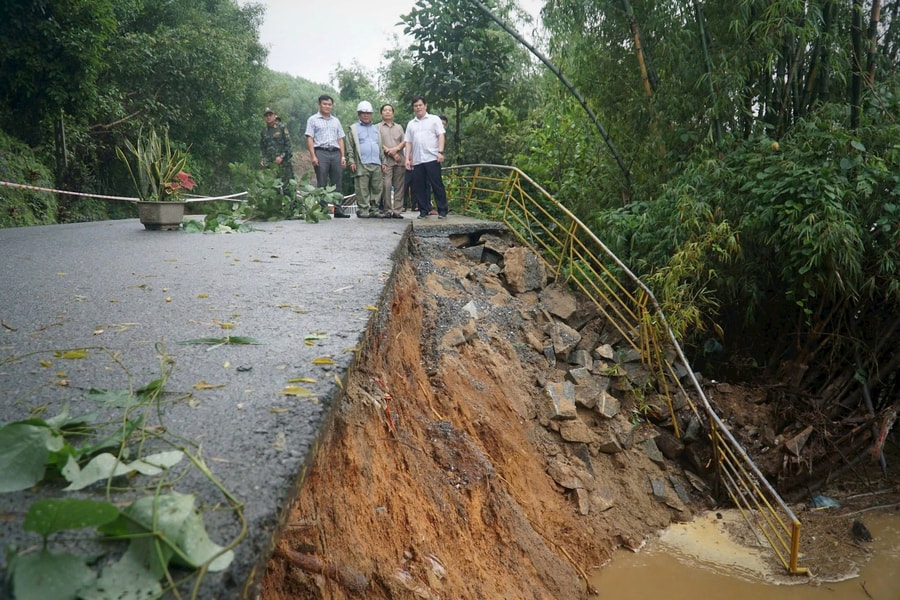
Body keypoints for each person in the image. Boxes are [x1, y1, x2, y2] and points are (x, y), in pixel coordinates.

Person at [305, 94, 350, 217]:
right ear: (319, 104)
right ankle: (322, 210)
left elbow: (340, 139)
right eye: (324, 104)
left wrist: (343, 156)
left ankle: (339, 210)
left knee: (337, 181)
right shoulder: (312, 120)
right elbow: (310, 138)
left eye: (329, 104)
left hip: (335, 152)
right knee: (322, 181)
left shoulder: (336, 121)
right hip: (321, 152)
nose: (327, 106)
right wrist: (313, 156)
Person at [404, 96, 448, 219]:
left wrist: (440, 152)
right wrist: (407, 158)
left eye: (420, 105)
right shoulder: (411, 124)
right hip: (418, 159)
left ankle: (442, 210)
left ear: (425, 106)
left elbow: (441, 135)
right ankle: (423, 210)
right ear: (413, 108)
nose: (418, 108)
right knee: (419, 186)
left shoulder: (434, 119)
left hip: (432, 157)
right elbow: (408, 142)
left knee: (437, 184)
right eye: (415, 106)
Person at [346, 101, 387, 219]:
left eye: (368, 113)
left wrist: (383, 161)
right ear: (359, 114)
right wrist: (351, 161)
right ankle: (363, 209)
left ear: (371, 114)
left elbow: (380, 146)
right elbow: (349, 146)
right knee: (362, 187)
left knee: (377, 187)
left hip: (376, 162)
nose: (365, 115)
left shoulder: (376, 129)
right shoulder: (353, 129)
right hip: (361, 162)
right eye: (363, 113)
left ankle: (374, 209)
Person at [377, 103, 406, 218]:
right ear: (381, 113)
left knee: (399, 185)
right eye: (385, 110)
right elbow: (378, 143)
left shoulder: (399, 127)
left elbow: (404, 141)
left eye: (390, 110)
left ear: (393, 113)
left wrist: (396, 149)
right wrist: (391, 152)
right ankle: (387, 209)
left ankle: (397, 210)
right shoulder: (377, 127)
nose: (387, 112)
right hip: (385, 160)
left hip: (400, 160)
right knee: (386, 184)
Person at [259, 107, 293, 196]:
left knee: (287, 189)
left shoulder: (282, 128)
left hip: (284, 164)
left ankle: (291, 208)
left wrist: (281, 156)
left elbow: (288, 146)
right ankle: (277, 209)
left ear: (274, 116)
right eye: (266, 116)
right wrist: (262, 158)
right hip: (271, 165)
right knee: (273, 189)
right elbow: (262, 147)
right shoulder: (264, 131)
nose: (268, 117)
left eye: (270, 115)